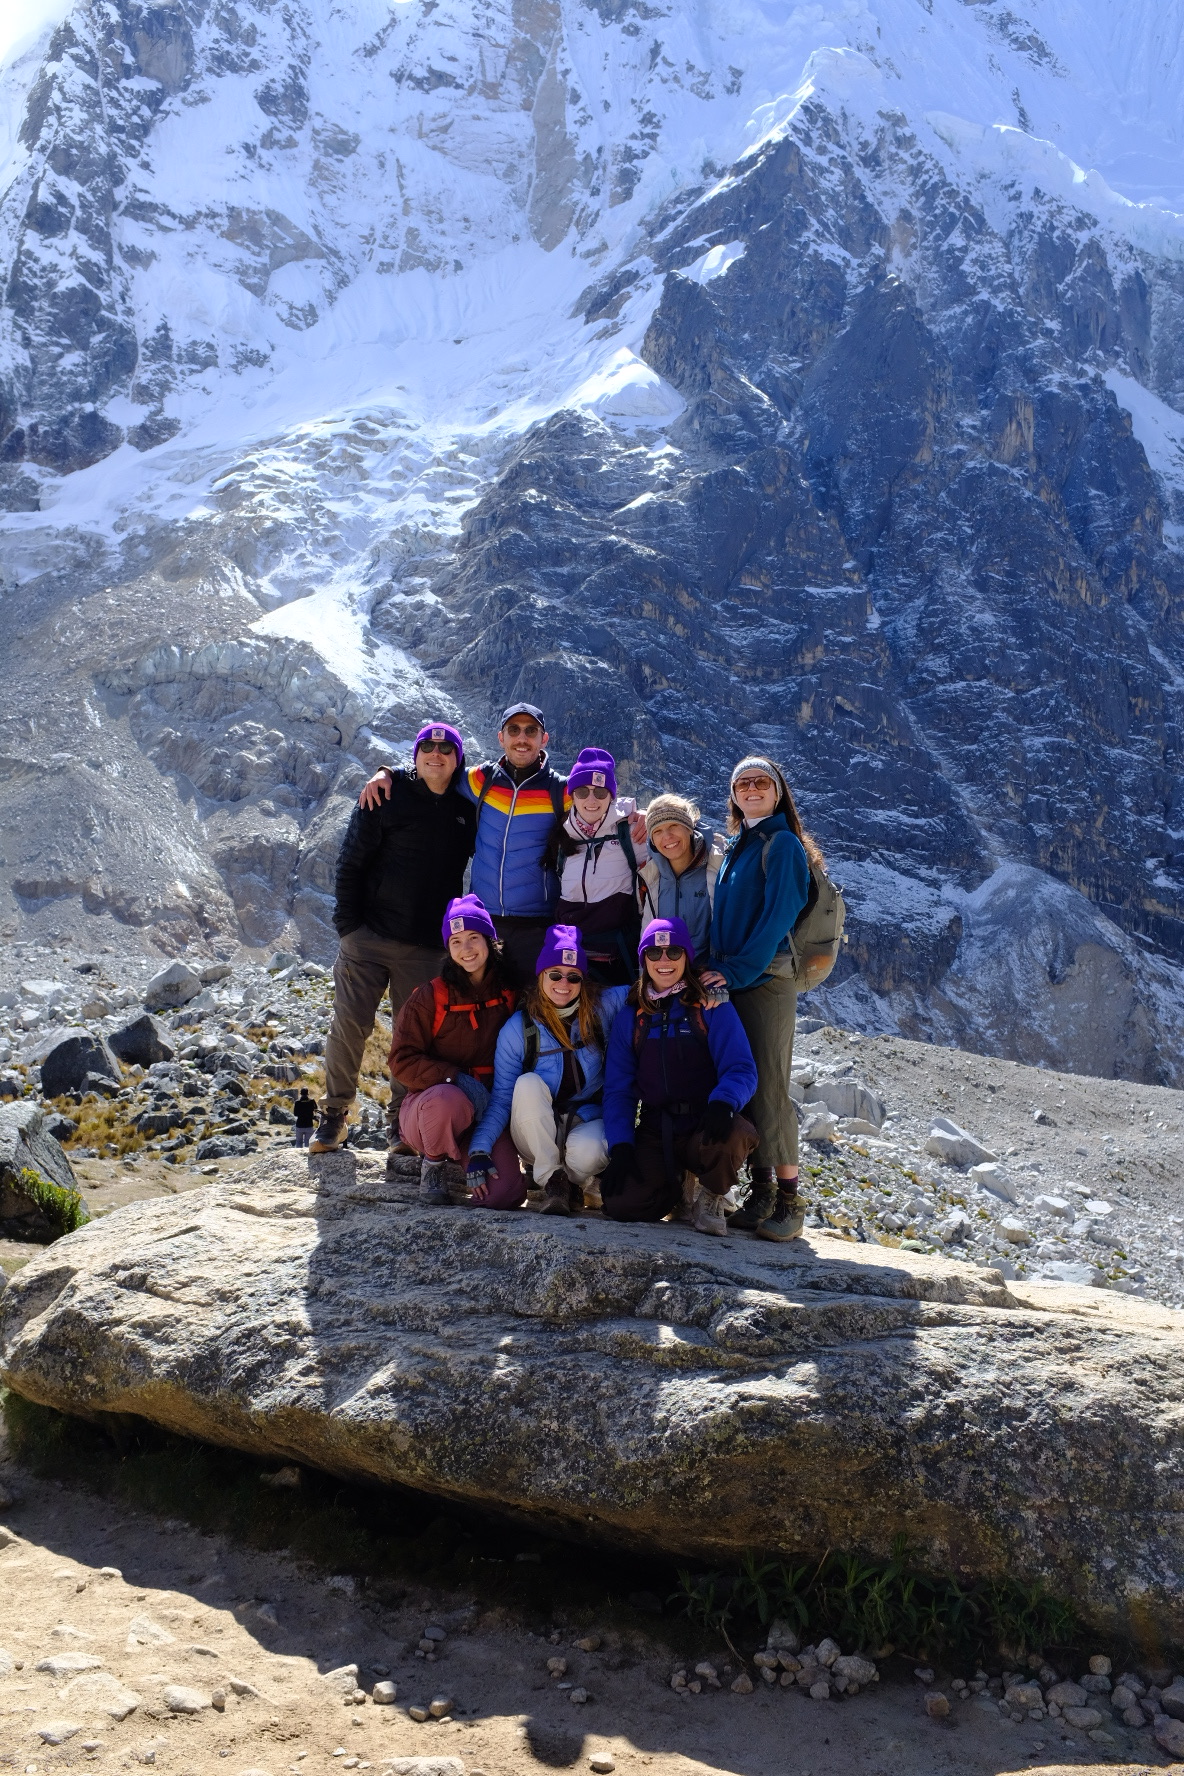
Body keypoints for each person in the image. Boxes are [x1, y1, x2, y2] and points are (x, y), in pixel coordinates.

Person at [359, 704, 647, 985]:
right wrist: (390, 772)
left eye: (530, 731)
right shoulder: (480, 779)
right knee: (485, 1008)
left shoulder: (560, 790)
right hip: (484, 922)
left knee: (530, 1007)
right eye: (514, 730)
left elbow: (598, 802)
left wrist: (641, 813)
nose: (522, 738)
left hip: (536, 923)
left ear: (543, 739)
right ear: (502, 738)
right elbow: (435, 768)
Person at [310, 721, 476, 1154]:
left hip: (427, 949)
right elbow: (351, 862)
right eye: (427, 747)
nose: (435, 754)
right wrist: (349, 928)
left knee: (413, 1040)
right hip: (368, 938)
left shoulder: (468, 809)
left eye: (446, 749)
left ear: (457, 760)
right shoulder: (386, 794)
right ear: (416, 755)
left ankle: (402, 1127)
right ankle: (333, 1118)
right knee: (349, 1025)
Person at [703, 756, 818, 1242]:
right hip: (734, 980)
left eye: (761, 782)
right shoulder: (739, 846)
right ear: (733, 794)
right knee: (744, 1084)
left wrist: (732, 970)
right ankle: (761, 1192)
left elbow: (777, 919)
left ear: (777, 792)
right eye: (742, 783)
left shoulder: (783, 844)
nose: (751, 789)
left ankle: (790, 1202)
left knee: (770, 1087)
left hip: (764, 980)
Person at [599, 917, 758, 1235]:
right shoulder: (632, 1016)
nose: (664, 961)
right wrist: (621, 1145)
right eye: (654, 954)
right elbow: (619, 1089)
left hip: (705, 1124)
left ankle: (712, 1194)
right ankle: (673, 1191)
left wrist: (724, 1102)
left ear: (687, 956)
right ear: (643, 959)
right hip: (657, 1130)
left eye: (674, 951)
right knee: (621, 1204)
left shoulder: (711, 1005)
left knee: (737, 1132)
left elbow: (740, 1067)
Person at [465, 925, 630, 1215]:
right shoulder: (518, 1028)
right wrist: (479, 1150)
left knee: (595, 1148)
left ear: (582, 980)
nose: (563, 984)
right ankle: (552, 1180)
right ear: (541, 976)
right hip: (535, 1132)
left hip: (585, 1119)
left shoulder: (602, 1008)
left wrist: (703, 985)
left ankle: (572, 1183)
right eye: (555, 974)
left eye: (573, 976)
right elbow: (502, 1099)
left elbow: (652, 988)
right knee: (527, 1084)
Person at [388, 894, 521, 1205]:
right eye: (457, 941)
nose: (467, 949)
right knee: (448, 1100)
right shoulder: (429, 996)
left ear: (489, 941)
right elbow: (401, 1061)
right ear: (448, 948)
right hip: (432, 1107)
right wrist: (455, 1078)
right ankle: (432, 1164)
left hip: (488, 1110)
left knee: (506, 1194)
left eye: (474, 937)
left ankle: (467, 1152)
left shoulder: (510, 993)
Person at [548, 748, 643, 984]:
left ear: (611, 796)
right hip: (572, 958)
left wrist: (653, 816)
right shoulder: (562, 837)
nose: (591, 800)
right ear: (572, 795)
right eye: (582, 791)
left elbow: (677, 840)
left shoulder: (631, 832)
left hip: (618, 958)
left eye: (600, 792)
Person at [637, 793, 723, 961]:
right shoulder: (648, 876)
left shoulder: (718, 867)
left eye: (674, 825)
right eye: (658, 831)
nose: (667, 836)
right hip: (664, 974)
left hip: (709, 975)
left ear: (689, 828)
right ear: (652, 840)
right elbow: (646, 939)